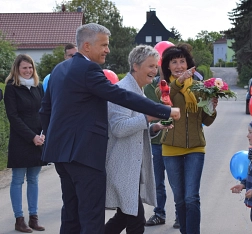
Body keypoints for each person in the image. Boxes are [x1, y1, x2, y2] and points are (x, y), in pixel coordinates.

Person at [39, 23, 180, 234]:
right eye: (104, 45)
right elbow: (120, 96)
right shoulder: (88, 69)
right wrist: (164, 111)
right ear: (87, 46)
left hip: (60, 155)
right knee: (91, 218)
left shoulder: (59, 69)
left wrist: (54, 141)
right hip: (85, 156)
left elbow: (45, 111)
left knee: (71, 215)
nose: (108, 50)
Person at [104, 45, 172, 234]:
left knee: (125, 217)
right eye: (150, 66)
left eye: (155, 66)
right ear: (135, 66)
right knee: (135, 219)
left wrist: (154, 127)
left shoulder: (137, 90)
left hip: (132, 167)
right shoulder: (122, 90)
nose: (154, 71)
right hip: (123, 165)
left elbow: (135, 127)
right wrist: (149, 117)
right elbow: (119, 128)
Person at [156, 45, 218, 234]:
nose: (178, 66)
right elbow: (167, 98)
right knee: (180, 199)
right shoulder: (164, 86)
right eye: (174, 62)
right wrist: (179, 82)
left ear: (188, 64)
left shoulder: (200, 87)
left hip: (195, 148)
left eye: (182, 61)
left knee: (192, 198)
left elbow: (206, 121)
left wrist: (212, 107)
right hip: (171, 148)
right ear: (167, 66)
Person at [4, 54, 46, 233]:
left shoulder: (39, 86)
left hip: (39, 139)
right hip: (21, 141)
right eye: (24, 68)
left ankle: (33, 219)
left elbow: (45, 111)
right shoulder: (11, 88)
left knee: (34, 180)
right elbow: (13, 117)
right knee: (18, 180)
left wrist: (43, 134)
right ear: (17, 69)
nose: (28, 71)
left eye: (30, 68)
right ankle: (19, 220)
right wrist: (32, 137)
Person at [144, 68, 179, 229]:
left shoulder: (177, 86)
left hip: (173, 142)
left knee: (176, 183)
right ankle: (159, 213)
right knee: (158, 182)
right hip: (156, 142)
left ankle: (180, 215)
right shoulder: (148, 87)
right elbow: (146, 112)